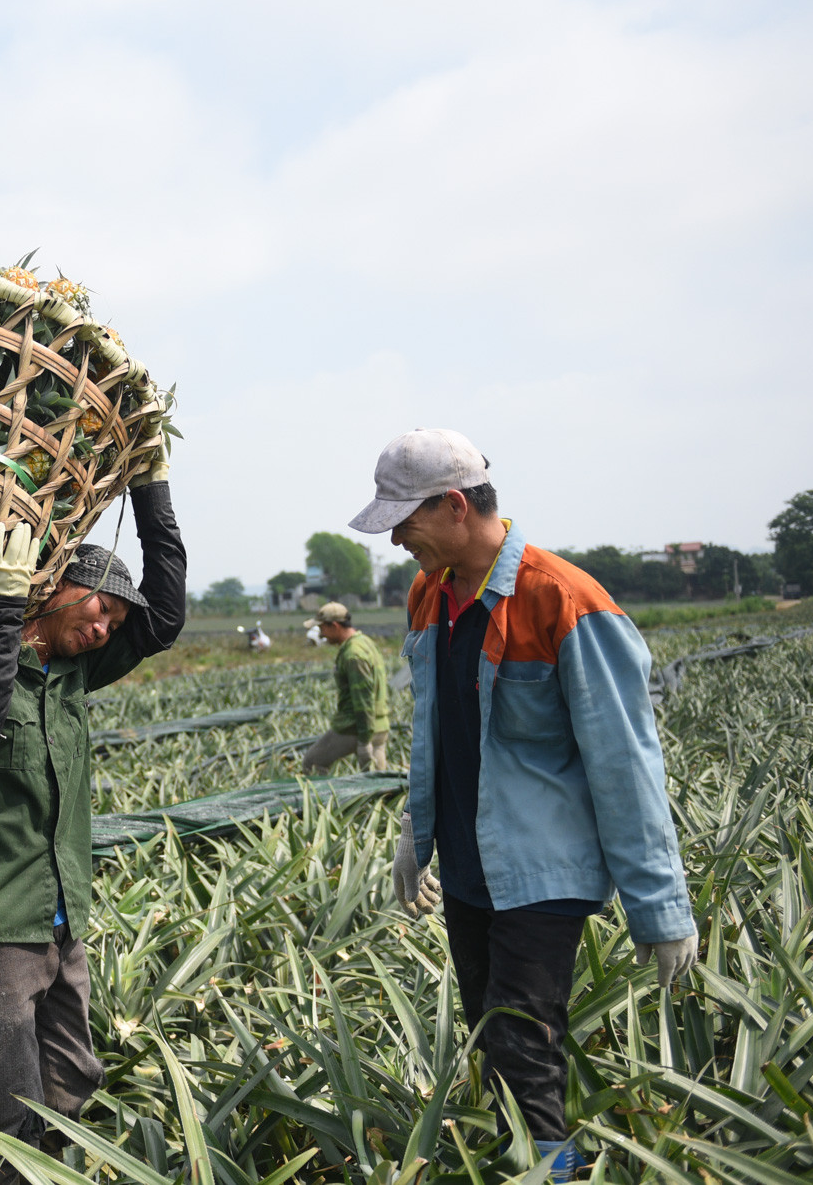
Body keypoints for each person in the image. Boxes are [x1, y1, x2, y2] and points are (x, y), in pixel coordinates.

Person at [349, 429, 697, 1183]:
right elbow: (436, 730)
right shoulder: (428, 593)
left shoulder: (564, 600)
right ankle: (522, 1163)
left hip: (544, 869)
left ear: (452, 506)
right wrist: (417, 829)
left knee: (521, 1046)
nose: (397, 538)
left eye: (406, 520)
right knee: (490, 1039)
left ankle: (555, 1175)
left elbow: (626, 762)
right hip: (471, 867)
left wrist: (660, 908)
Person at [0, 460, 185, 1172]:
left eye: (115, 624)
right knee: (7, 1120)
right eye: (100, 610)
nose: (105, 631)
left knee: (70, 1087)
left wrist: (150, 488)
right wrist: (3, 610)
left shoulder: (73, 669)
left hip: (58, 922)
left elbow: (168, 616)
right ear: (59, 587)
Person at [298, 602, 390, 774]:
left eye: (322, 628)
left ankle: (322, 800)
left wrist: (364, 741)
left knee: (312, 763)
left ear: (334, 626)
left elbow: (363, 699)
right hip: (380, 725)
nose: (321, 634)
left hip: (356, 727)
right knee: (379, 782)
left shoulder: (353, 655)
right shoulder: (365, 642)